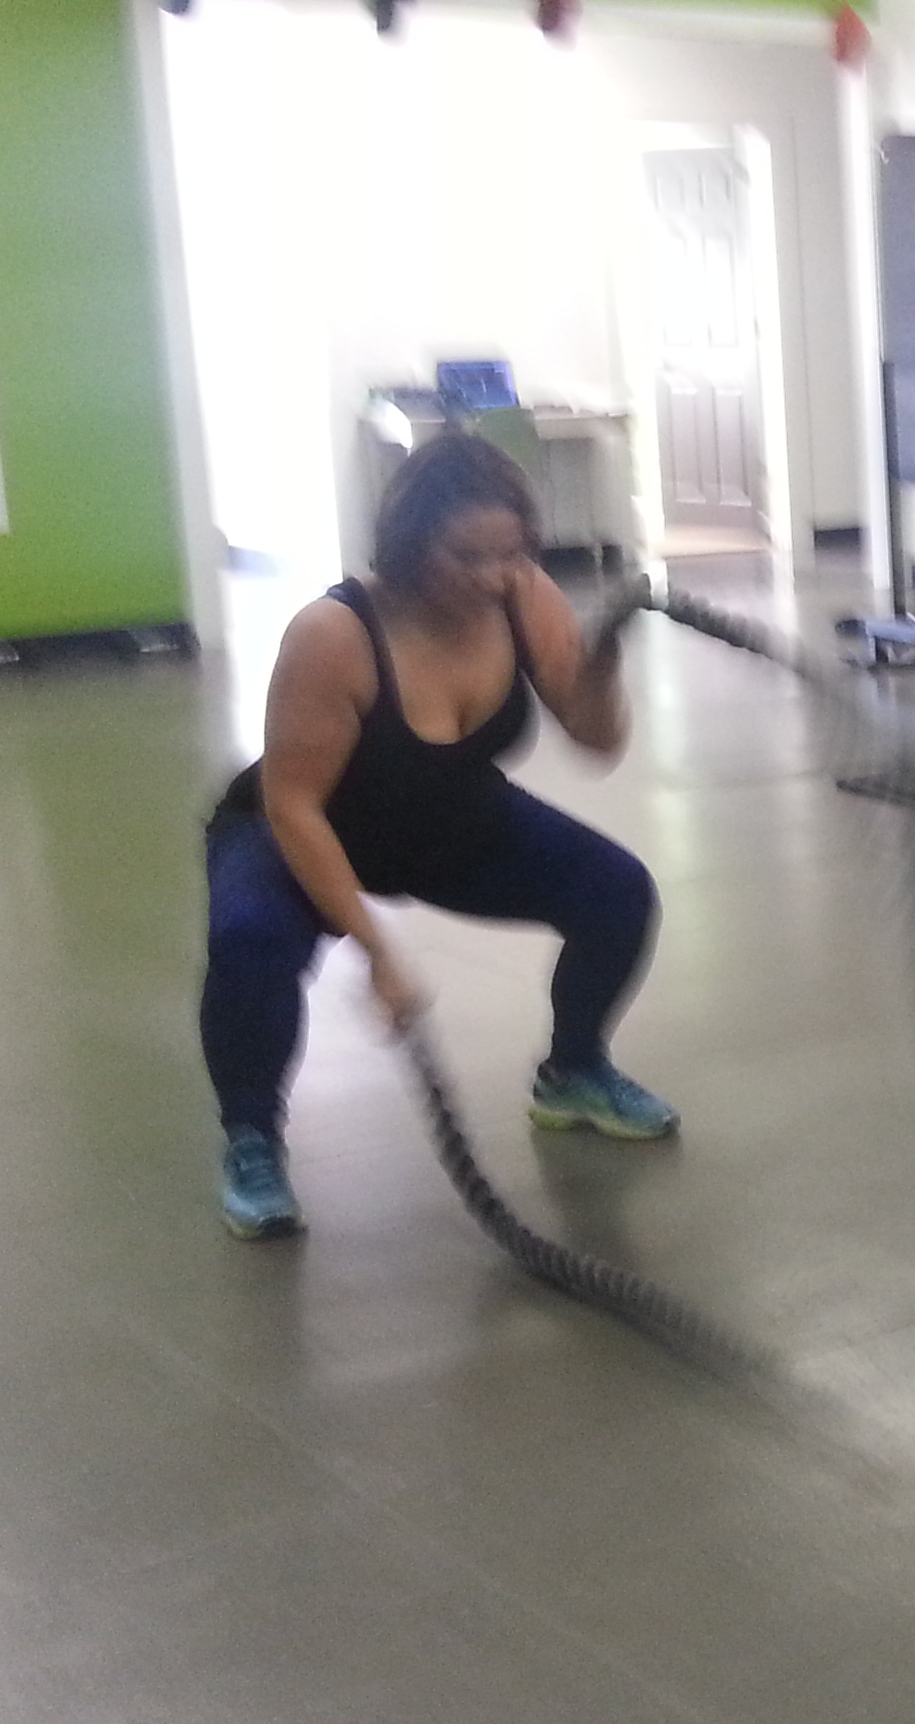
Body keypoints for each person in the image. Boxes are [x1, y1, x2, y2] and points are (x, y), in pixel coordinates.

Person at [199, 433, 673, 1239]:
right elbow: (295, 806)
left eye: (510, 554)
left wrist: (599, 671)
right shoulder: (333, 634)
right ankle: (251, 1141)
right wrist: (376, 952)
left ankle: (574, 1071)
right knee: (250, 941)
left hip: (445, 816)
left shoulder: (521, 596)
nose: (492, 577)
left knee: (618, 894)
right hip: (300, 826)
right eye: (466, 557)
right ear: (411, 544)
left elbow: (597, 743)